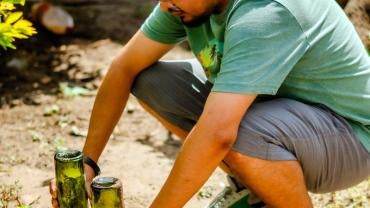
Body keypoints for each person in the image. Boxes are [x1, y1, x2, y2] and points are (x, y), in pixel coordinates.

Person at [50, 0, 370, 207]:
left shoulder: (266, 12)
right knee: (149, 79)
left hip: (351, 137)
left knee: (231, 132)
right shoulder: (186, 3)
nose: (164, 3)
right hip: (284, 114)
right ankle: (253, 188)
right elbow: (124, 68)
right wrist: (87, 163)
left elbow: (217, 133)